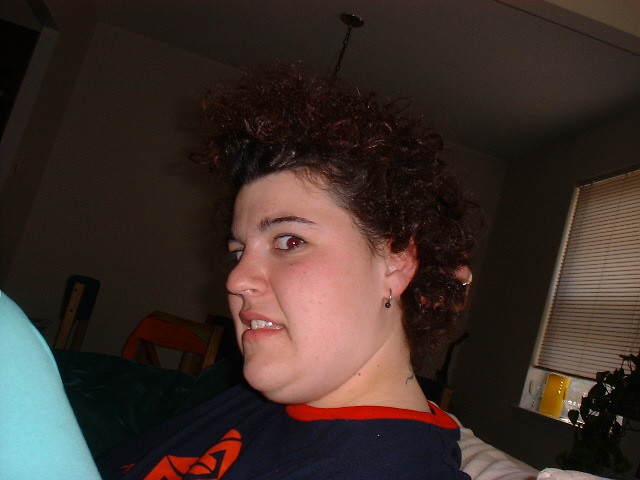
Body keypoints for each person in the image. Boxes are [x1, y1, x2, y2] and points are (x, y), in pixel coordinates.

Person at [96, 64, 475, 479]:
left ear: (396, 261)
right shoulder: (258, 401)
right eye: (238, 252)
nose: (236, 280)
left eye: (290, 241)